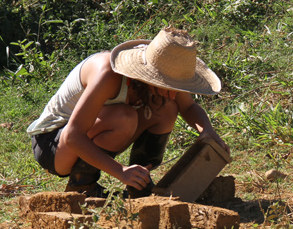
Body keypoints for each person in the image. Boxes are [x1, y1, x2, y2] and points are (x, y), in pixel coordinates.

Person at [27, 27, 228, 197]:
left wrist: (207, 131)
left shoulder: (168, 74)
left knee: (167, 107)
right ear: (152, 76)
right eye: (170, 86)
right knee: (124, 117)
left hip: (78, 138)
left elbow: (188, 107)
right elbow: (72, 135)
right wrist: (120, 171)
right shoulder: (108, 74)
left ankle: (139, 184)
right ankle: (82, 185)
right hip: (53, 145)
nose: (175, 93)